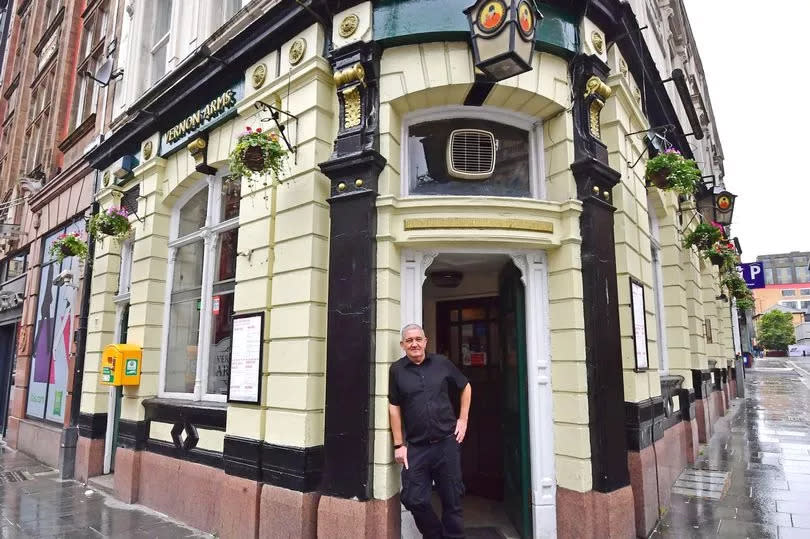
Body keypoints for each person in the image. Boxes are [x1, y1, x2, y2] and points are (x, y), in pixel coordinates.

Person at [389, 324, 472, 539]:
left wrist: (463, 419)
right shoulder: (397, 370)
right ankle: (435, 535)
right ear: (402, 345)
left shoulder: (442, 363)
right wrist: (399, 444)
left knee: (452, 499)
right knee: (413, 498)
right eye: (409, 340)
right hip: (417, 447)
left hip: (446, 443)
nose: (414, 344)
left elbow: (465, 386)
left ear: (426, 341)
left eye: (418, 339)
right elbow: (394, 406)